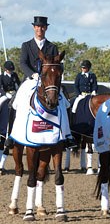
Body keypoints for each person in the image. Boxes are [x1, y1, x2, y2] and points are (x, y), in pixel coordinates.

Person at [5, 16, 76, 149]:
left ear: (46, 28)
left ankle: (67, 135)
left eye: (42, 27)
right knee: (14, 102)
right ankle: (11, 135)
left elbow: (57, 64)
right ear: (34, 27)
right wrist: (32, 74)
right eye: (37, 26)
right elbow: (22, 63)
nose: (40, 29)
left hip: (48, 82)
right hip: (31, 79)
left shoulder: (52, 47)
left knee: (65, 103)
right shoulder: (26, 45)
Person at [0, 61, 21, 172]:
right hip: (5, 95)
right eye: (9, 70)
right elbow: (0, 87)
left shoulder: (14, 75)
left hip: (14, 95)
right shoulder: (1, 77)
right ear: (5, 69)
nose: (11, 71)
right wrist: (5, 93)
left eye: (12, 70)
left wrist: (16, 92)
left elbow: (18, 84)